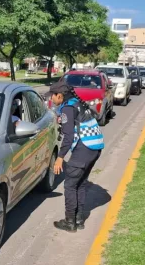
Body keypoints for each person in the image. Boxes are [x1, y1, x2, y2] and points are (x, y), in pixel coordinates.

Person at [45, 80, 104, 232]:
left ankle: (70, 222)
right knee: (81, 183)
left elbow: (69, 136)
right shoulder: (77, 102)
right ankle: (78, 219)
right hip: (95, 147)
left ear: (60, 95)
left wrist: (60, 158)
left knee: (70, 184)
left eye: (52, 96)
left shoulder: (68, 108)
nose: (51, 99)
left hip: (85, 148)